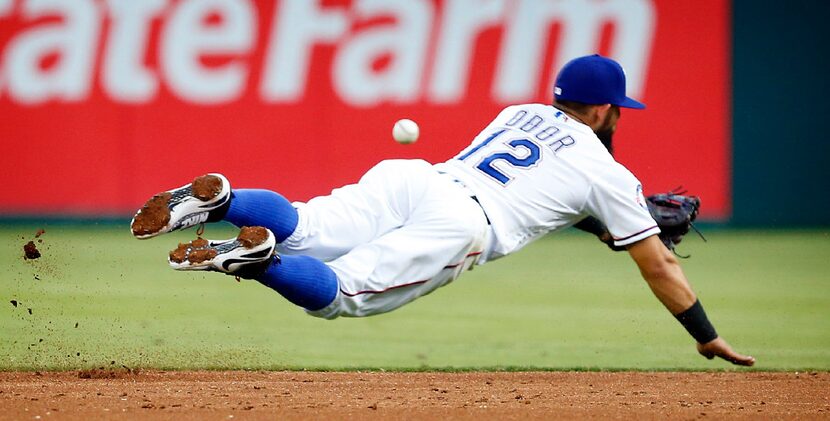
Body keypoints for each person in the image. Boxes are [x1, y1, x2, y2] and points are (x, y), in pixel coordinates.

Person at [131, 54, 754, 366]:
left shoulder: (521, 112)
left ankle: (228, 200)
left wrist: (612, 222)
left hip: (417, 178)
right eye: (618, 107)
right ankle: (259, 260)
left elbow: (553, 193)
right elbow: (660, 267)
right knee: (343, 292)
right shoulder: (609, 174)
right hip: (460, 226)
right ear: (603, 110)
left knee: (309, 222)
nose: (620, 115)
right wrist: (706, 337)